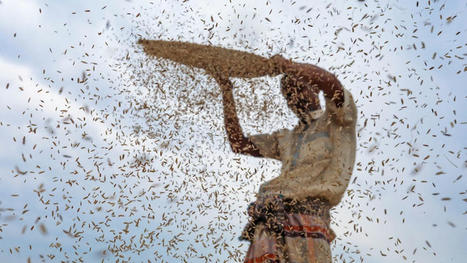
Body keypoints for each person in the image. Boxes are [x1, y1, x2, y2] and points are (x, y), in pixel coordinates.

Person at [211, 55, 357, 263]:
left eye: (299, 88)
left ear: (313, 88)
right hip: (270, 219)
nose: (293, 97)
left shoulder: (336, 122)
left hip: (308, 221)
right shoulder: (286, 138)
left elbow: (331, 83)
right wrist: (226, 90)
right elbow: (238, 143)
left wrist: (289, 67)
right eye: (287, 94)